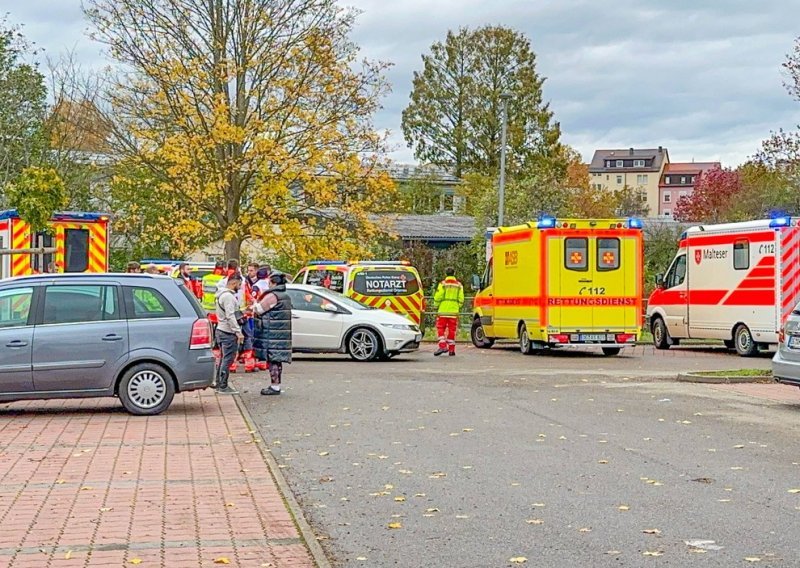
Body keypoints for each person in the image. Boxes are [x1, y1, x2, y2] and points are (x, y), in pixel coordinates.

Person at [252, 271, 292, 396]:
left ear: (273, 282)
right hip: (281, 332)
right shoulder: (285, 295)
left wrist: (254, 304)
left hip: (272, 333)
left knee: (273, 359)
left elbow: (259, 309)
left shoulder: (273, 296)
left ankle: (275, 386)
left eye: (269, 282)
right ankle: (276, 385)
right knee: (277, 360)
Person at [214, 273, 244, 394]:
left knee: (223, 358)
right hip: (227, 331)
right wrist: (238, 331)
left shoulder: (221, 295)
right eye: (239, 284)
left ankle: (218, 383)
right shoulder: (228, 297)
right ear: (233, 283)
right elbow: (230, 315)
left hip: (221, 329)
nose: (240, 287)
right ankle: (223, 385)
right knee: (228, 359)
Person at [433, 267, 464, 357]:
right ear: (454, 273)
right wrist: (458, 306)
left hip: (443, 310)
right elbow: (461, 298)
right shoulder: (459, 285)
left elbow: (438, 296)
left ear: (446, 274)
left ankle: (442, 346)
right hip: (454, 311)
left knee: (440, 328)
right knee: (452, 330)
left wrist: (436, 305)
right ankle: (451, 350)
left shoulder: (443, 284)